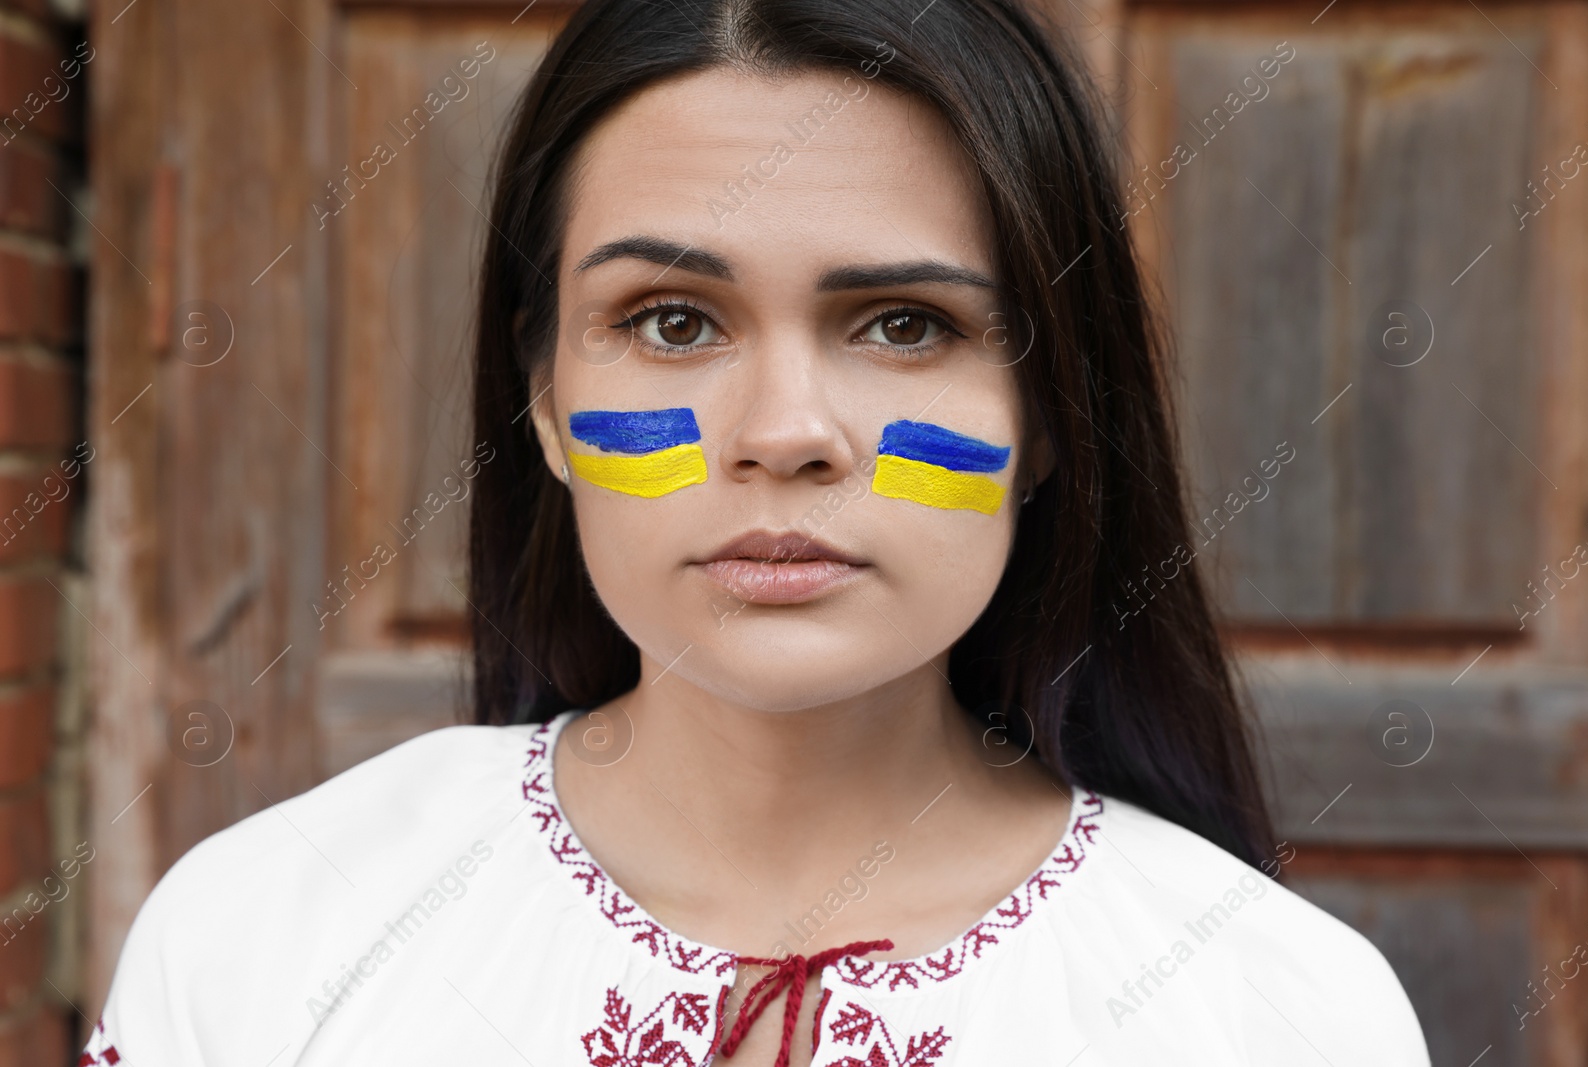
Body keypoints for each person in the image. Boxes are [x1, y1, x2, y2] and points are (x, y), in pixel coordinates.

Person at [81, 0, 1431, 1063]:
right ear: (542, 400)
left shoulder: (1279, 1015)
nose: (785, 430)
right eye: (673, 322)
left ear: (1054, 417)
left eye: (906, 325)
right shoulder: (268, 932)